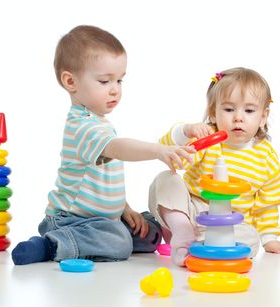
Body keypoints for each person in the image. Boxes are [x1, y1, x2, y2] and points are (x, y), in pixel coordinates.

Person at [12, 25, 195, 265]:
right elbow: (119, 147)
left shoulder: (98, 122)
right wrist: (158, 150)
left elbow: (102, 181)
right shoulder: (82, 127)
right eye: (104, 81)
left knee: (149, 232)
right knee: (119, 243)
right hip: (71, 219)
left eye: (119, 80)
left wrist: (124, 209)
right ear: (70, 81)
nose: (115, 89)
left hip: (103, 218)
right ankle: (51, 244)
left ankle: (113, 231)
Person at [148, 67, 280, 266]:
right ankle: (182, 230)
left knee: (250, 239)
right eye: (229, 109)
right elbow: (170, 153)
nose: (238, 117)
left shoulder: (266, 157)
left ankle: (199, 244)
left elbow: (267, 203)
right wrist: (186, 131)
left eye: (249, 110)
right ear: (213, 112)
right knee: (166, 179)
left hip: (229, 224)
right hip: (193, 212)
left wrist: (269, 238)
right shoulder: (208, 139)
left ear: (263, 117)